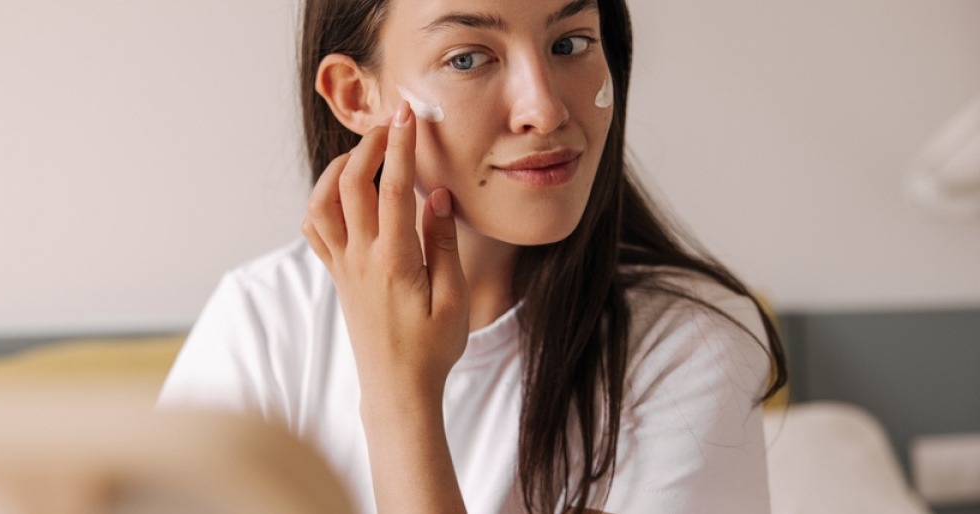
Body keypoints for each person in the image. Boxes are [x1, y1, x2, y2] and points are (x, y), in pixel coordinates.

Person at [158, 0, 788, 513]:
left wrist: (401, 397)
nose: (544, 109)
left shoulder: (688, 342)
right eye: (467, 58)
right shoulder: (265, 319)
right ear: (355, 96)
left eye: (570, 44)